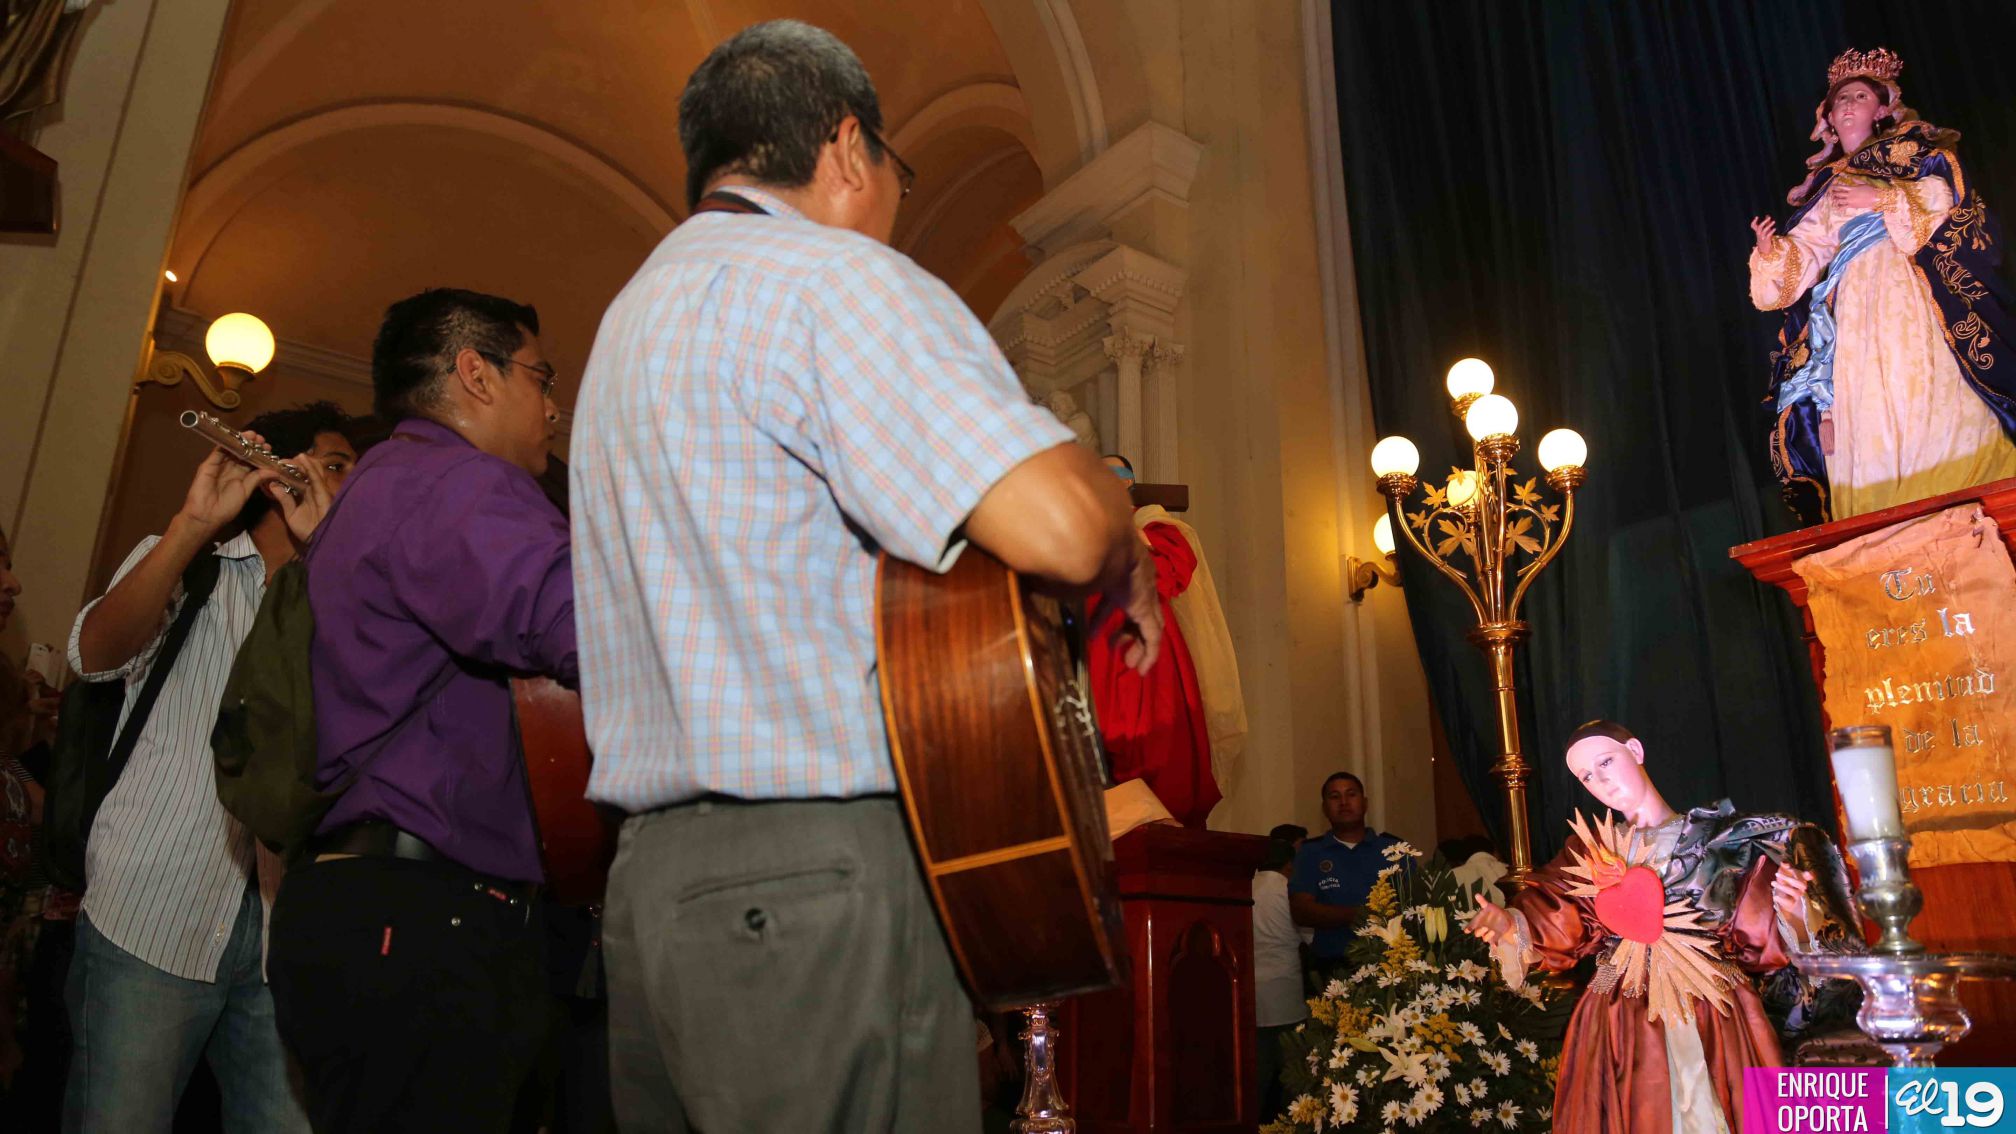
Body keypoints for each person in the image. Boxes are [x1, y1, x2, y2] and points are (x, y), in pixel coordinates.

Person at [570, 20, 1162, 1132]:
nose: (892, 196)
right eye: (897, 167)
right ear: (847, 148)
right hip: (811, 888)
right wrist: (1117, 508)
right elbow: (1058, 527)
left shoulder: (628, 321)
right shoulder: (831, 279)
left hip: (652, 895)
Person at [264, 288, 575, 1134]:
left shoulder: (380, 485)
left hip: (364, 904)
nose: (553, 405)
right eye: (542, 377)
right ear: (476, 374)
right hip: (425, 917)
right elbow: (587, 624)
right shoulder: (458, 484)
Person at [62, 403, 351, 1133]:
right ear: (273, 478)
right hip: (152, 908)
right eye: (338, 467)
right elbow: (94, 656)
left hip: (283, 936)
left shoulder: (351, 604)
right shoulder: (194, 572)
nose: (355, 487)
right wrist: (193, 523)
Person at [1467, 720, 1858, 1133]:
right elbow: (1555, 914)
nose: (1600, 780)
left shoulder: (1719, 842)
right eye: (1586, 776)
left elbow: (1759, 936)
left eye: (1606, 761)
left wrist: (1793, 913)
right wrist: (1510, 922)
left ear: (1635, 751)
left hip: (1715, 1006)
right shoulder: (1589, 852)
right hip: (1622, 1014)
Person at [1751, 46, 2016, 522]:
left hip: (1907, 280)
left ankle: (1960, 489)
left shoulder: (1911, 153)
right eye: (1839, 101)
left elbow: (1947, 197)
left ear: (1881, 108)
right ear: (1828, 118)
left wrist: (1884, 197)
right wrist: (1773, 255)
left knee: (1919, 378)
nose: (1848, 105)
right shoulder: (1825, 188)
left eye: (1858, 96)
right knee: (1867, 397)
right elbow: (1809, 254)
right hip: (1853, 301)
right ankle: (1888, 510)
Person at [1086, 453, 1244, 827]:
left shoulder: (1158, 528)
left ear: (1128, 482)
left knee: (1157, 754)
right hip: (1096, 663)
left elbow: (1169, 575)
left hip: (1149, 663)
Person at [1288, 771, 1403, 973]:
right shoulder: (1310, 853)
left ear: (1365, 803)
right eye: (1335, 796)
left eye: (1351, 794)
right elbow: (1301, 911)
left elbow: (1411, 905)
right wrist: (1363, 913)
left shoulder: (1394, 850)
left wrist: (1336, 913)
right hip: (1333, 967)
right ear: (1324, 808)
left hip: (1390, 964)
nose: (1344, 802)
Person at [1251, 832, 1306, 1124]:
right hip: (1286, 988)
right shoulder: (1288, 888)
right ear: (1289, 864)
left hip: (1252, 988)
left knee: (1257, 1073)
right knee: (1291, 1073)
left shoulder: (1245, 886)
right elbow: (1307, 934)